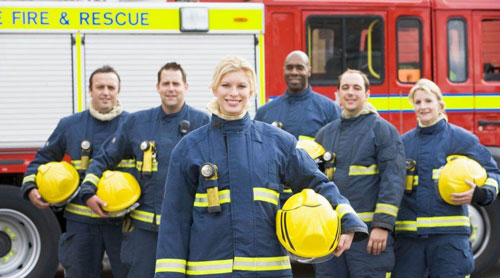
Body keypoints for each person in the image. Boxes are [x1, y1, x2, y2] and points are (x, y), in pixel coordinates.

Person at [154, 56, 368, 278]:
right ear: (214, 89)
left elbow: (316, 182)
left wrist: (346, 219)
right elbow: (174, 221)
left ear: (252, 91)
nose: (233, 93)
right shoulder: (190, 148)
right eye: (226, 85)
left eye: (241, 86)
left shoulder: (277, 142)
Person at [80, 62, 210, 278]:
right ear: (157, 87)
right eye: (165, 83)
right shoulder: (137, 122)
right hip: (144, 233)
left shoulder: (202, 122)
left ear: (185, 87)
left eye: (176, 83)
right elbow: (104, 158)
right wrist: (88, 191)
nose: (171, 88)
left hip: (188, 229)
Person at [20, 65, 129, 278]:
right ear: (90, 90)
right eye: (100, 87)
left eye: (111, 87)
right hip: (81, 225)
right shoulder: (70, 125)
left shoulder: (133, 124)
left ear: (118, 91)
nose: (105, 92)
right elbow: (42, 160)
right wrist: (31, 186)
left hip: (122, 221)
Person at [392, 78, 500, 278]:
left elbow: (493, 173)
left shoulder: (461, 139)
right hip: (409, 242)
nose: (423, 107)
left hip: (449, 240)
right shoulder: (403, 143)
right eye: (418, 102)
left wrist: (480, 194)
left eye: (428, 101)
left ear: (440, 104)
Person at [314, 69, 406, 278]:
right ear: (337, 94)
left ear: (367, 94)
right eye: (345, 87)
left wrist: (382, 226)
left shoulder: (383, 131)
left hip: (367, 237)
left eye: (357, 88)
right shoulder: (324, 134)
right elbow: (313, 185)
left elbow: (393, 181)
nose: (350, 92)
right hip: (331, 234)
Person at [255, 50, 341, 140]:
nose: (294, 72)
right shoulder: (265, 112)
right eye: (289, 68)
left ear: (309, 71)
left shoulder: (330, 110)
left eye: (300, 68)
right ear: (284, 71)